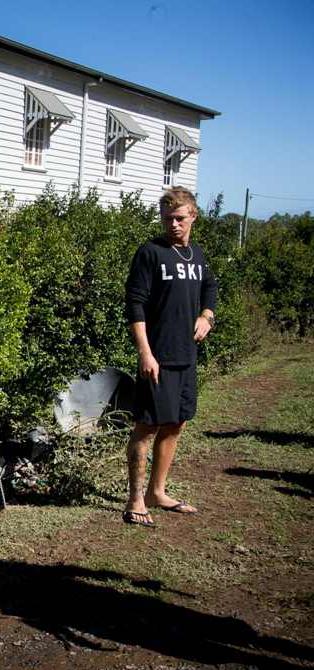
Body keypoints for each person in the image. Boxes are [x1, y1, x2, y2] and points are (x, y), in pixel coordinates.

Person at [122, 187, 217, 527]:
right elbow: (135, 304)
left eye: (179, 218)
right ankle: (135, 498)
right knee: (147, 427)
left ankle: (157, 492)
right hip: (157, 357)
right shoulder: (150, 253)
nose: (173, 225)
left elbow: (209, 286)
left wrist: (206, 316)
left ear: (193, 216)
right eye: (167, 219)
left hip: (186, 357)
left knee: (176, 424)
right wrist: (145, 353)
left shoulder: (197, 255)